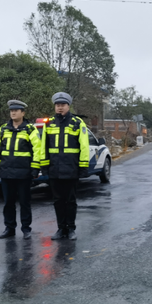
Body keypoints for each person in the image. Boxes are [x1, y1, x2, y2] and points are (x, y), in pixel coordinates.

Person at [40, 92, 90, 240]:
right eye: (57, 105)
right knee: (57, 201)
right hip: (55, 169)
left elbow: (84, 146)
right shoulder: (48, 123)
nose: (60, 107)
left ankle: (71, 228)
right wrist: (44, 167)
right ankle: (61, 229)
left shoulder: (77, 122)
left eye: (62, 105)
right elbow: (43, 146)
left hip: (71, 169)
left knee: (70, 200)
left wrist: (83, 167)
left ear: (68, 106)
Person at [0, 100, 41, 240]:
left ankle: (26, 229)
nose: (13, 113)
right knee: (8, 203)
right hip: (7, 172)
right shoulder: (3, 129)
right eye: (11, 110)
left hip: (24, 173)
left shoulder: (30, 129)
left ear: (23, 113)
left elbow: (37, 150)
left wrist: (35, 168)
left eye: (16, 110)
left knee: (25, 202)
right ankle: (9, 228)